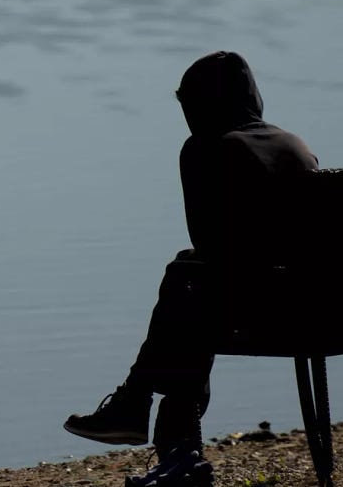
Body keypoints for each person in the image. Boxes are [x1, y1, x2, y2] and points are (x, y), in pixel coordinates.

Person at [62, 51, 318, 487]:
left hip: (260, 314)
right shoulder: (296, 146)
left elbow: (208, 242)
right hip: (320, 308)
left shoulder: (208, 148)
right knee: (192, 288)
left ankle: (148, 417)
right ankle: (170, 444)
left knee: (187, 282)